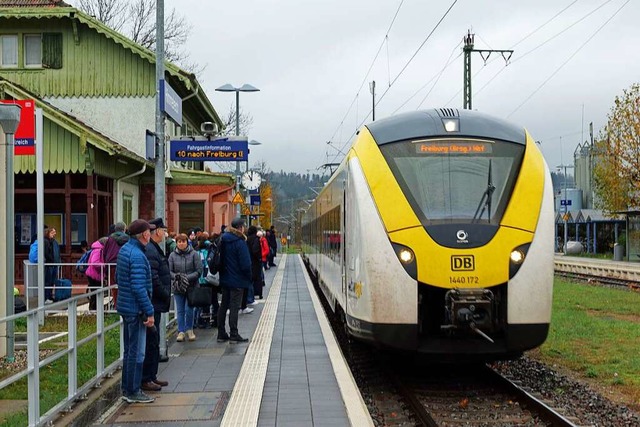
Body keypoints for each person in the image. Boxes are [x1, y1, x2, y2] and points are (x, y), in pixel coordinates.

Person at [116, 219, 156, 404]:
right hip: (136, 309)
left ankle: (127, 388)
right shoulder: (138, 256)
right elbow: (140, 287)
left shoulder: (125, 250)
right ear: (144, 234)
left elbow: (119, 278)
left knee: (129, 350)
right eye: (149, 232)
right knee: (137, 352)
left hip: (126, 306)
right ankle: (133, 390)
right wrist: (149, 311)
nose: (151, 235)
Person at [141, 218, 172, 392]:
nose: (166, 234)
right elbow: (153, 277)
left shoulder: (153, 248)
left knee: (154, 340)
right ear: (158, 231)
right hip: (154, 302)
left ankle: (151, 376)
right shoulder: (152, 250)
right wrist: (164, 292)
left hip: (157, 302)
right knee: (151, 341)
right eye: (164, 230)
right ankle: (147, 378)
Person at [217, 218, 252, 343]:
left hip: (225, 278)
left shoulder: (223, 239)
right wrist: (249, 277)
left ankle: (221, 333)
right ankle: (233, 333)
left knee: (223, 305)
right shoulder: (240, 242)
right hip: (237, 280)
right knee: (234, 307)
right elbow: (245, 264)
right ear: (240, 228)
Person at [168, 233, 202, 342]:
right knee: (180, 310)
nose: (181, 244)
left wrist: (186, 277)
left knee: (189, 309)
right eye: (179, 242)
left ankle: (189, 329)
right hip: (178, 287)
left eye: (183, 241)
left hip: (191, 286)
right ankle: (181, 331)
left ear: (187, 242)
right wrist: (178, 277)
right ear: (176, 243)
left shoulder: (194, 254)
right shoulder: (172, 256)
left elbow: (199, 270)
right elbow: (169, 271)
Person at [103, 222, 129, 307]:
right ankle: (124, 304)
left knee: (114, 286)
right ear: (124, 229)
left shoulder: (110, 239)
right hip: (123, 263)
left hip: (111, 264)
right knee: (124, 284)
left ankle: (116, 305)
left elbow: (105, 252)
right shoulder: (128, 239)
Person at [85, 237, 108, 310]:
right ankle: (94, 310)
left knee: (95, 293)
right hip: (94, 275)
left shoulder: (96, 249)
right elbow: (95, 262)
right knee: (95, 293)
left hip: (93, 274)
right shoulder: (98, 250)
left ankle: (94, 309)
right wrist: (104, 265)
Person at [246, 226, 264, 300]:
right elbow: (255, 250)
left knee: (250, 280)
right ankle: (255, 296)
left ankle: (250, 296)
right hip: (255, 262)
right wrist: (259, 258)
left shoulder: (247, 239)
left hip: (249, 261)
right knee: (257, 278)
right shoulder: (256, 239)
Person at [44, 226, 60, 304]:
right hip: (50, 264)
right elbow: (47, 253)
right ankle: (46, 297)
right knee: (48, 281)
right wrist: (51, 260)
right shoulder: (46, 241)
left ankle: (50, 296)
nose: (54, 234)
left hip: (54, 264)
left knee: (52, 281)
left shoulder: (53, 242)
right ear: (48, 233)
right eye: (53, 232)